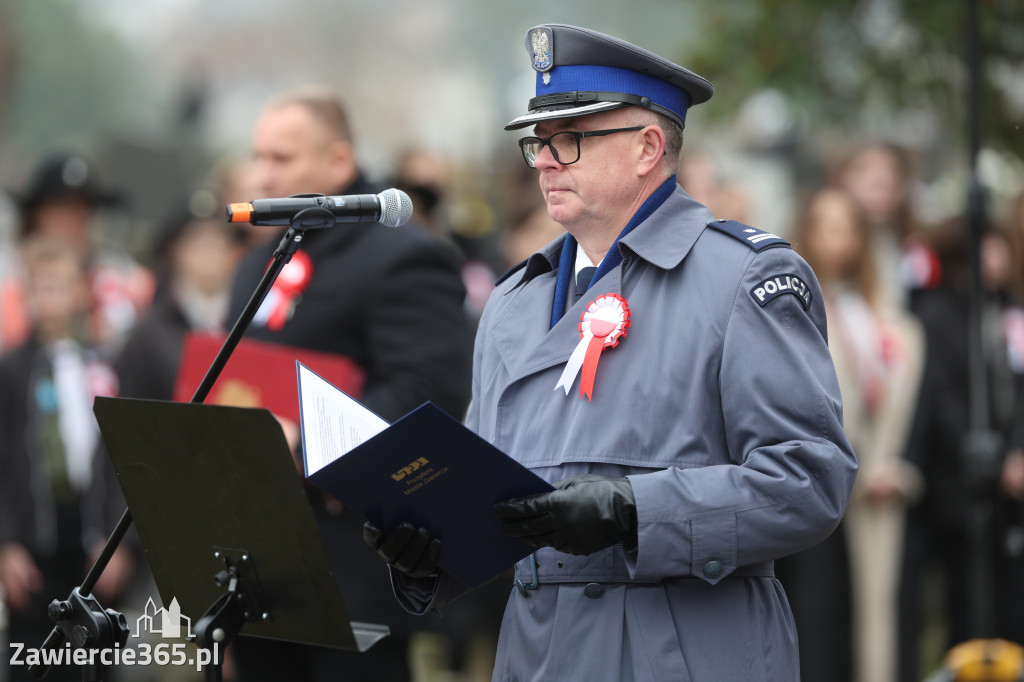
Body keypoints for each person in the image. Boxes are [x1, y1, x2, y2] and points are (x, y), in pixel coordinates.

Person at [363, 24, 858, 681]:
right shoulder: (513, 303)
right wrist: (428, 553)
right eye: (537, 141)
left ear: (648, 147)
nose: (542, 160)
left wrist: (633, 512)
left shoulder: (741, 277)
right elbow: (486, 500)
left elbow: (810, 479)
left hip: (684, 654)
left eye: (568, 140)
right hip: (541, 656)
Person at [226, 86, 473, 682]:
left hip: (355, 563)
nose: (262, 173)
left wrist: (306, 439)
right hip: (260, 562)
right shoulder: (257, 262)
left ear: (338, 162)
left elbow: (430, 389)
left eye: (281, 159)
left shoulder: (403, 256)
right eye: (259, 157)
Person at [782, 187, 924, 682]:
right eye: (824, 224)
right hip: (815, 491)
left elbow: (907, 396)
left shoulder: (885, 319)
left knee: (881, 621)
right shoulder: (787, 315)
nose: (836, 237)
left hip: (878, 493)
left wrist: (895, 465)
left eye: (846, 225)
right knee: (819, 622)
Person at [0, 239, 131, 682]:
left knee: (94, 657)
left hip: (92, 532)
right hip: (34, 533)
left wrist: (118, 541)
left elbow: (122, 460)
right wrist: (7, 542)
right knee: (34, 656)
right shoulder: (12, 369)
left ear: (81, 292)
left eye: (61, 286)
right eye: (41, 287)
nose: (50, 298)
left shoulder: (106, 364)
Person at [0, 153, 154, 353]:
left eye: (81, 208)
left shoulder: (120, 278)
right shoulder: (7, 275)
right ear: (35, 214)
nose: (71, 220)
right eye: (59, 207)